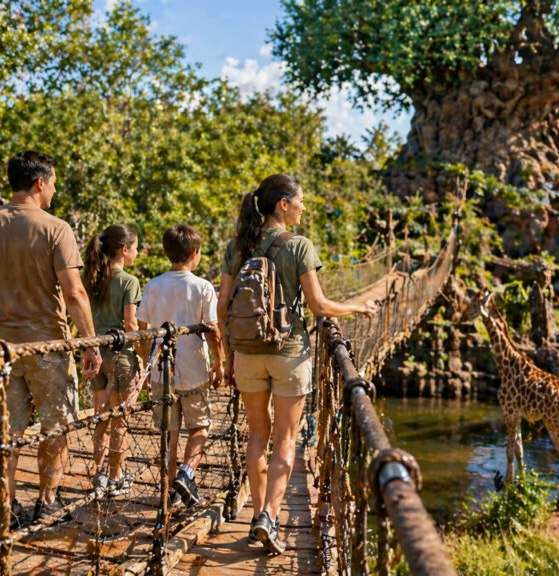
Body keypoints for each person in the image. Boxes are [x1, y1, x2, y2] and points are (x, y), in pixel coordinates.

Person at [218, 174, 377, 554]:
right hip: (289, 354)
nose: (304, 207)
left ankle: (258, 514)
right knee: (286, 439)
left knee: (258, 436)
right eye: (300, 201)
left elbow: (222, 305)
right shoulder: (299, 246)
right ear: (283, 204)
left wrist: (227, 356)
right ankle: (270, 518)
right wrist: (359, 307)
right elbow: (319, 306)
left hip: (246, 353)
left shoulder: (237, 245)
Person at [0, 151, 101, 528]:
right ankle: (47, 501)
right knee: (57, 427)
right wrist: (90, 342)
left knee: (7, 430)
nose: (54, 190)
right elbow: (74, 293)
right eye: (53, 183)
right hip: (47, 346)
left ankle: (6, 505)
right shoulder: (56, 228)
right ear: (40, 183)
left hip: (0, 347)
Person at [137, 224, 223, 508]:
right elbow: (212, 331)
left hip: (162, 369)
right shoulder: (203, 287)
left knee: (168, 432)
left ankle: (170, 491)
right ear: (195, 254)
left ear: (166, 253)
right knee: (199, 426)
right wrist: (220, 363)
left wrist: (147, 365)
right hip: (194, 368)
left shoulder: (153, 285)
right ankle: (187, 474)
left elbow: (141, 330)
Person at [82, 224, 144, 497]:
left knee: (101, 417)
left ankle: (99, 474)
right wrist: (143, 351)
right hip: (121, 355)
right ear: (124, 249)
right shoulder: (128, 281)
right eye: (136, 247)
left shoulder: (92, 277)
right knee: (120, 420)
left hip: (95, 351)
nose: (137, 252)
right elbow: (131, 323)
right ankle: (116, 477)